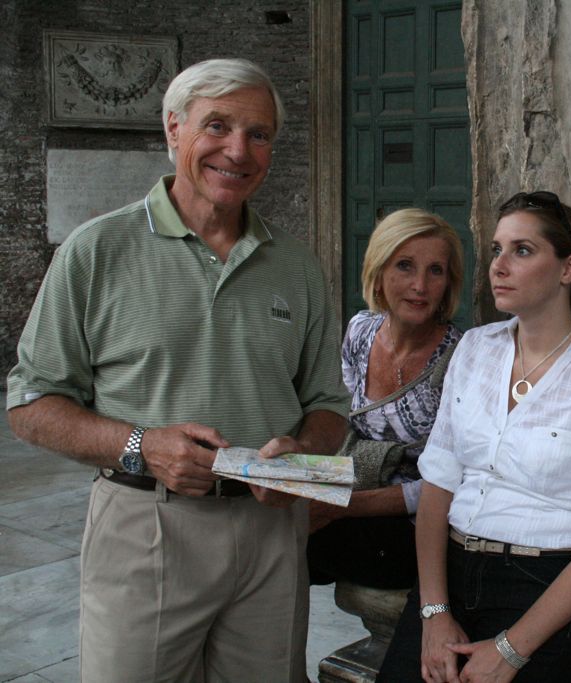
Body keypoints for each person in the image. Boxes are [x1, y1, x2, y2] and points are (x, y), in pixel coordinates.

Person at [6, 58, 348, 682]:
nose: (238, 150)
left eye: (259, 134)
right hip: (145, 522)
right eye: (216, 126)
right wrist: (142, 445)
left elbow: (329, 402)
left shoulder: (297, 267)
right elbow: (30, 405)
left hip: (270, 530)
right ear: (173, 130)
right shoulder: (97, 250)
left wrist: (302, 451)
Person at [377, 191, 571, 682]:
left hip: (543, 588)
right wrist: (434, 612)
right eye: (498, 249)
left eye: (522, 250)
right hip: (452, 573)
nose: (499, 266)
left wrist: (510, 649)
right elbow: (438, 485)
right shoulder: (476, 349)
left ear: (568, 269)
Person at [306, 208, 464, 589]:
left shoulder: (460, 358)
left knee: (293, 548)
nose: (420, 286)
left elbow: (450, 483)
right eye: (405, 266)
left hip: (413, 525)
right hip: (350, 492)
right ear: (378, 273)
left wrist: (341, 507)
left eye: (435, 271)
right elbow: (337, 420)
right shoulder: (362, 329)